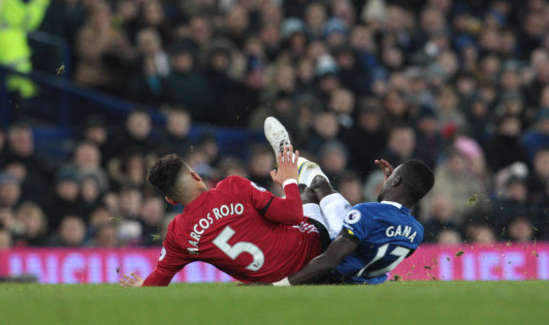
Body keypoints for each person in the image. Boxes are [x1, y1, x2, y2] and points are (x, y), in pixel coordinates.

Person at [121, 142, 334, 287]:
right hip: (317, 248)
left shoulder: (178, 234)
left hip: (281, 281)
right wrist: (288, 180)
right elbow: (293, 215)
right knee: (312, 186)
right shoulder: (233, 186)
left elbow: (159, 279)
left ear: (171, 200)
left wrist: (143, 286)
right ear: (196, 176)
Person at [263, 121, 435, 285]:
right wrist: (388, 190)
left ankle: (283, 153)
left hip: (325, 260)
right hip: (363, 275)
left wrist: (280, 285)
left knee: (306, 191)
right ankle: (285, 153)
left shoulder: (366, 212)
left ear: (396, 182)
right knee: (319, 184)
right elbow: (383, 226)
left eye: (392, 178)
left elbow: (330, 261)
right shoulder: (417, 231)